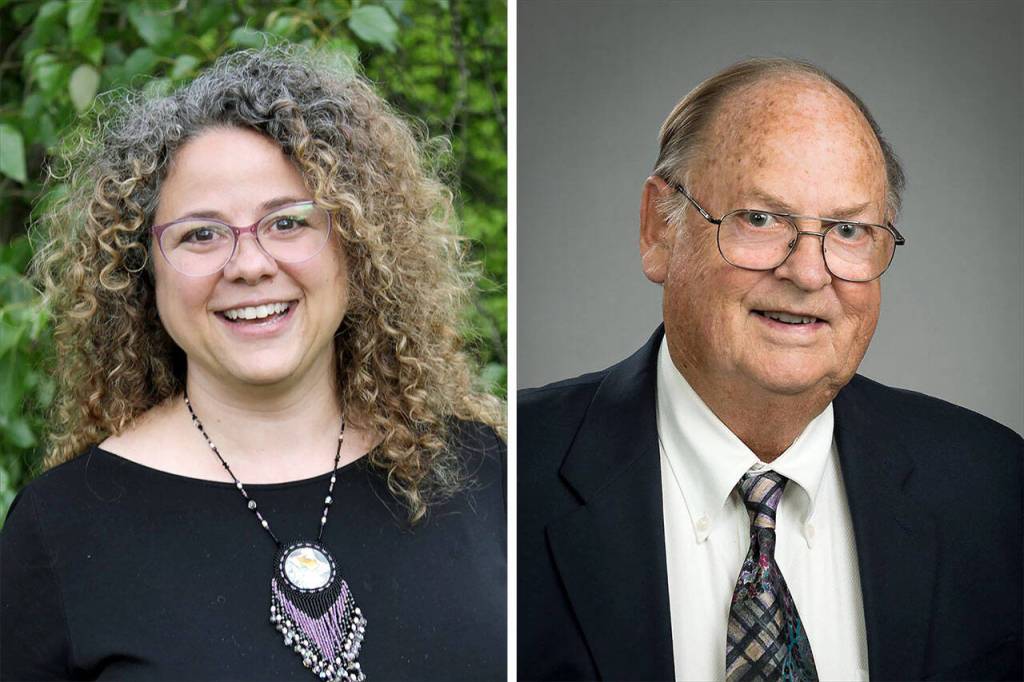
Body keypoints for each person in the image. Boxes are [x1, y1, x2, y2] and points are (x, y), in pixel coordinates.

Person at [1, 46, 505, 681]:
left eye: (288, 222)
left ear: (357, 244)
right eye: (200, 234)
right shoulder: (59, 531)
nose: (249, 264)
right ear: (143, 271)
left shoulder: (492, 474)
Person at [518, 58, 1022, 682]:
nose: (809, 274)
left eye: (848, 229)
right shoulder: (510, 471)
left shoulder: (996, 490)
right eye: (761, 218)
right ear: (659, 229)